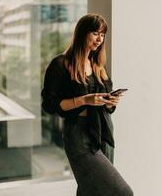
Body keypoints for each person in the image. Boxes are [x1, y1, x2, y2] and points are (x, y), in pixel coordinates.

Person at [41, 13, 133, 196]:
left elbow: (108, 106)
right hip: (79, 136)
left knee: (90, 191)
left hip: (103, 132)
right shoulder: (61, 64)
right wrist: (84, 100)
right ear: (82, 33)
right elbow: (50, 105)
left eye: (103, 34)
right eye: (95, 33)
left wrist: (110, 102)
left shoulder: (97, 64)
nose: (99, 39)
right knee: (122, 193)